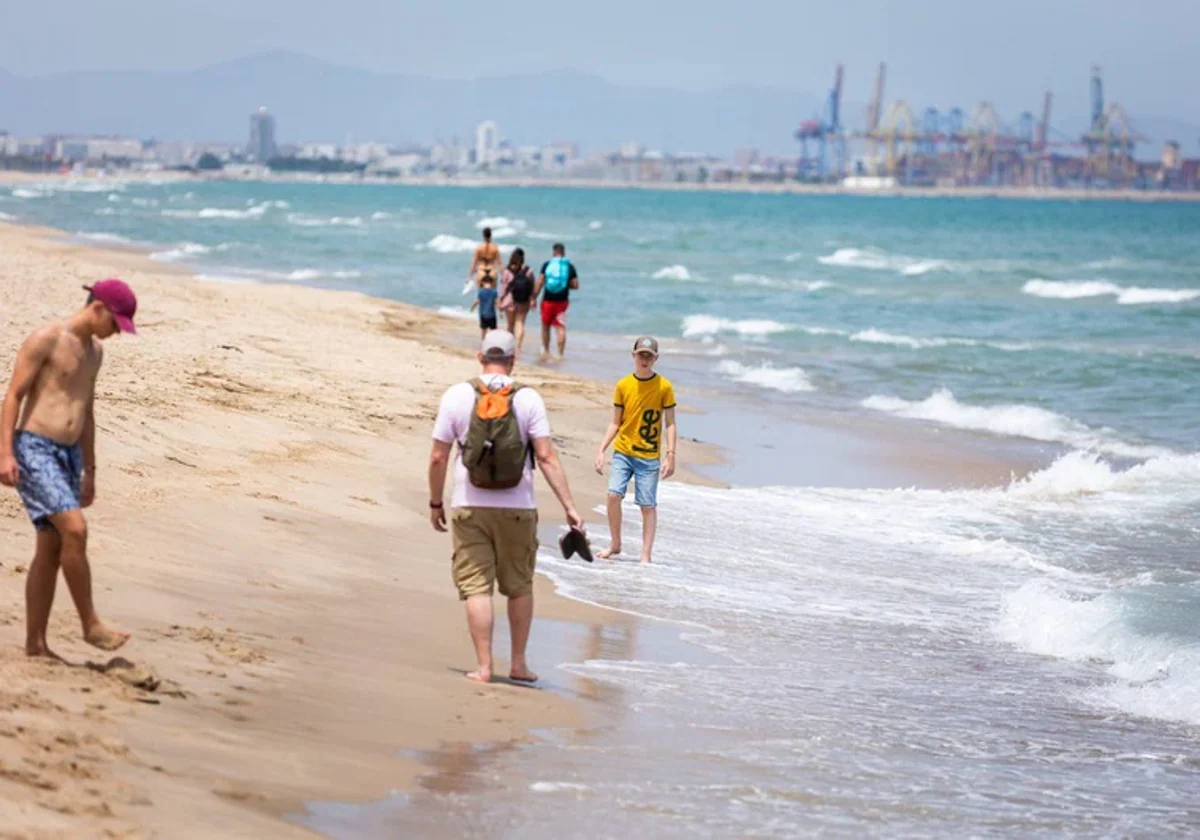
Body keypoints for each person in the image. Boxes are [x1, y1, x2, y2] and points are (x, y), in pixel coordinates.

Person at [428, 330, 585, 683]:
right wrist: (570, 506)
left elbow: (439, 457)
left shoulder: (457, 395)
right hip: (519, 506)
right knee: (519, 586)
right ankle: (518, 663)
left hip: (469, 504)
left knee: (476, 587)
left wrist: (436, 503)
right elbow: (545, 455)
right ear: (514, 360)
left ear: (479, 356)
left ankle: (484, 667)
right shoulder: (528, 399)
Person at [0, 279, 138, 657]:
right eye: (116, 324)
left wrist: (90, 469)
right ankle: (90, 623)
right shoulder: (46, 338)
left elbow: (87, 412)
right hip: (35, 449)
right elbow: (13, 395)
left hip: (69, 455)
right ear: (98, 309)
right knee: (75, 529)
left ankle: (36, 644)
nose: (115, 334)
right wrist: (5, 453)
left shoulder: (94, 354)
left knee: (51, 545)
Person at [593, 336, 677, 564]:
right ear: (633, 356)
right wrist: (601, 449)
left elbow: (670, 423)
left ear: (656, 359)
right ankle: (615, 543)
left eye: (649, 356)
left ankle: (645, 555)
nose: (644, 359)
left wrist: (671, 455)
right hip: (623, 452)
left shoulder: (664, 387)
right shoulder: (623, 385)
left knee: (647, 506)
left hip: (649, 457)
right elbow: (615, 422)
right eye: (641, 355)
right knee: (613, 495)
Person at [533, 243, 579, 358]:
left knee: (545, 326)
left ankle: (546, 351)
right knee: (560, 327)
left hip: (547, 300)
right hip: (562, 302)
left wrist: (533, 297)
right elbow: (576, 285)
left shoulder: (547, 265)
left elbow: (540, 282)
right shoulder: (569, 266)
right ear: (563, 253)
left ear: (554, 252)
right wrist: (565, 286)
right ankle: (560, 353)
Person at [500, 248, 536, 357]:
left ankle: (510, 347)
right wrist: (533, 299)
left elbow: (503, 288)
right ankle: (518, 348)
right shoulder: (529, 271)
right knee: (520, 323)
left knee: (510, 325)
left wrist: (500, 302)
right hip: (523, 301)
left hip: (509, 301)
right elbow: (532, 287)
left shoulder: (507, 271)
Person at [467, 226, 502, 293]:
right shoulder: (495, 248)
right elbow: (499, 264)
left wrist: (469, 277)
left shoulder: (479, 248)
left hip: (481, 271)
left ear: (483, 235)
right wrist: (503, 276)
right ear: (491, 235)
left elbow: (474, 264)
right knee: (493, 295)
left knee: (481, 296)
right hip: (492, 271)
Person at [470, 274, 499, 340]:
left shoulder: (480, 291)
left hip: (483, 314)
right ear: (492, 283)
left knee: (483, 330)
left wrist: (472, 308)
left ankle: (483, 343)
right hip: (492, 314)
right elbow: (496, 302)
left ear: (483, 282)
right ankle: (493, 343)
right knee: (493, 330)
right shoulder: (494, 292)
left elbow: (477, 301)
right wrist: (501, 311)